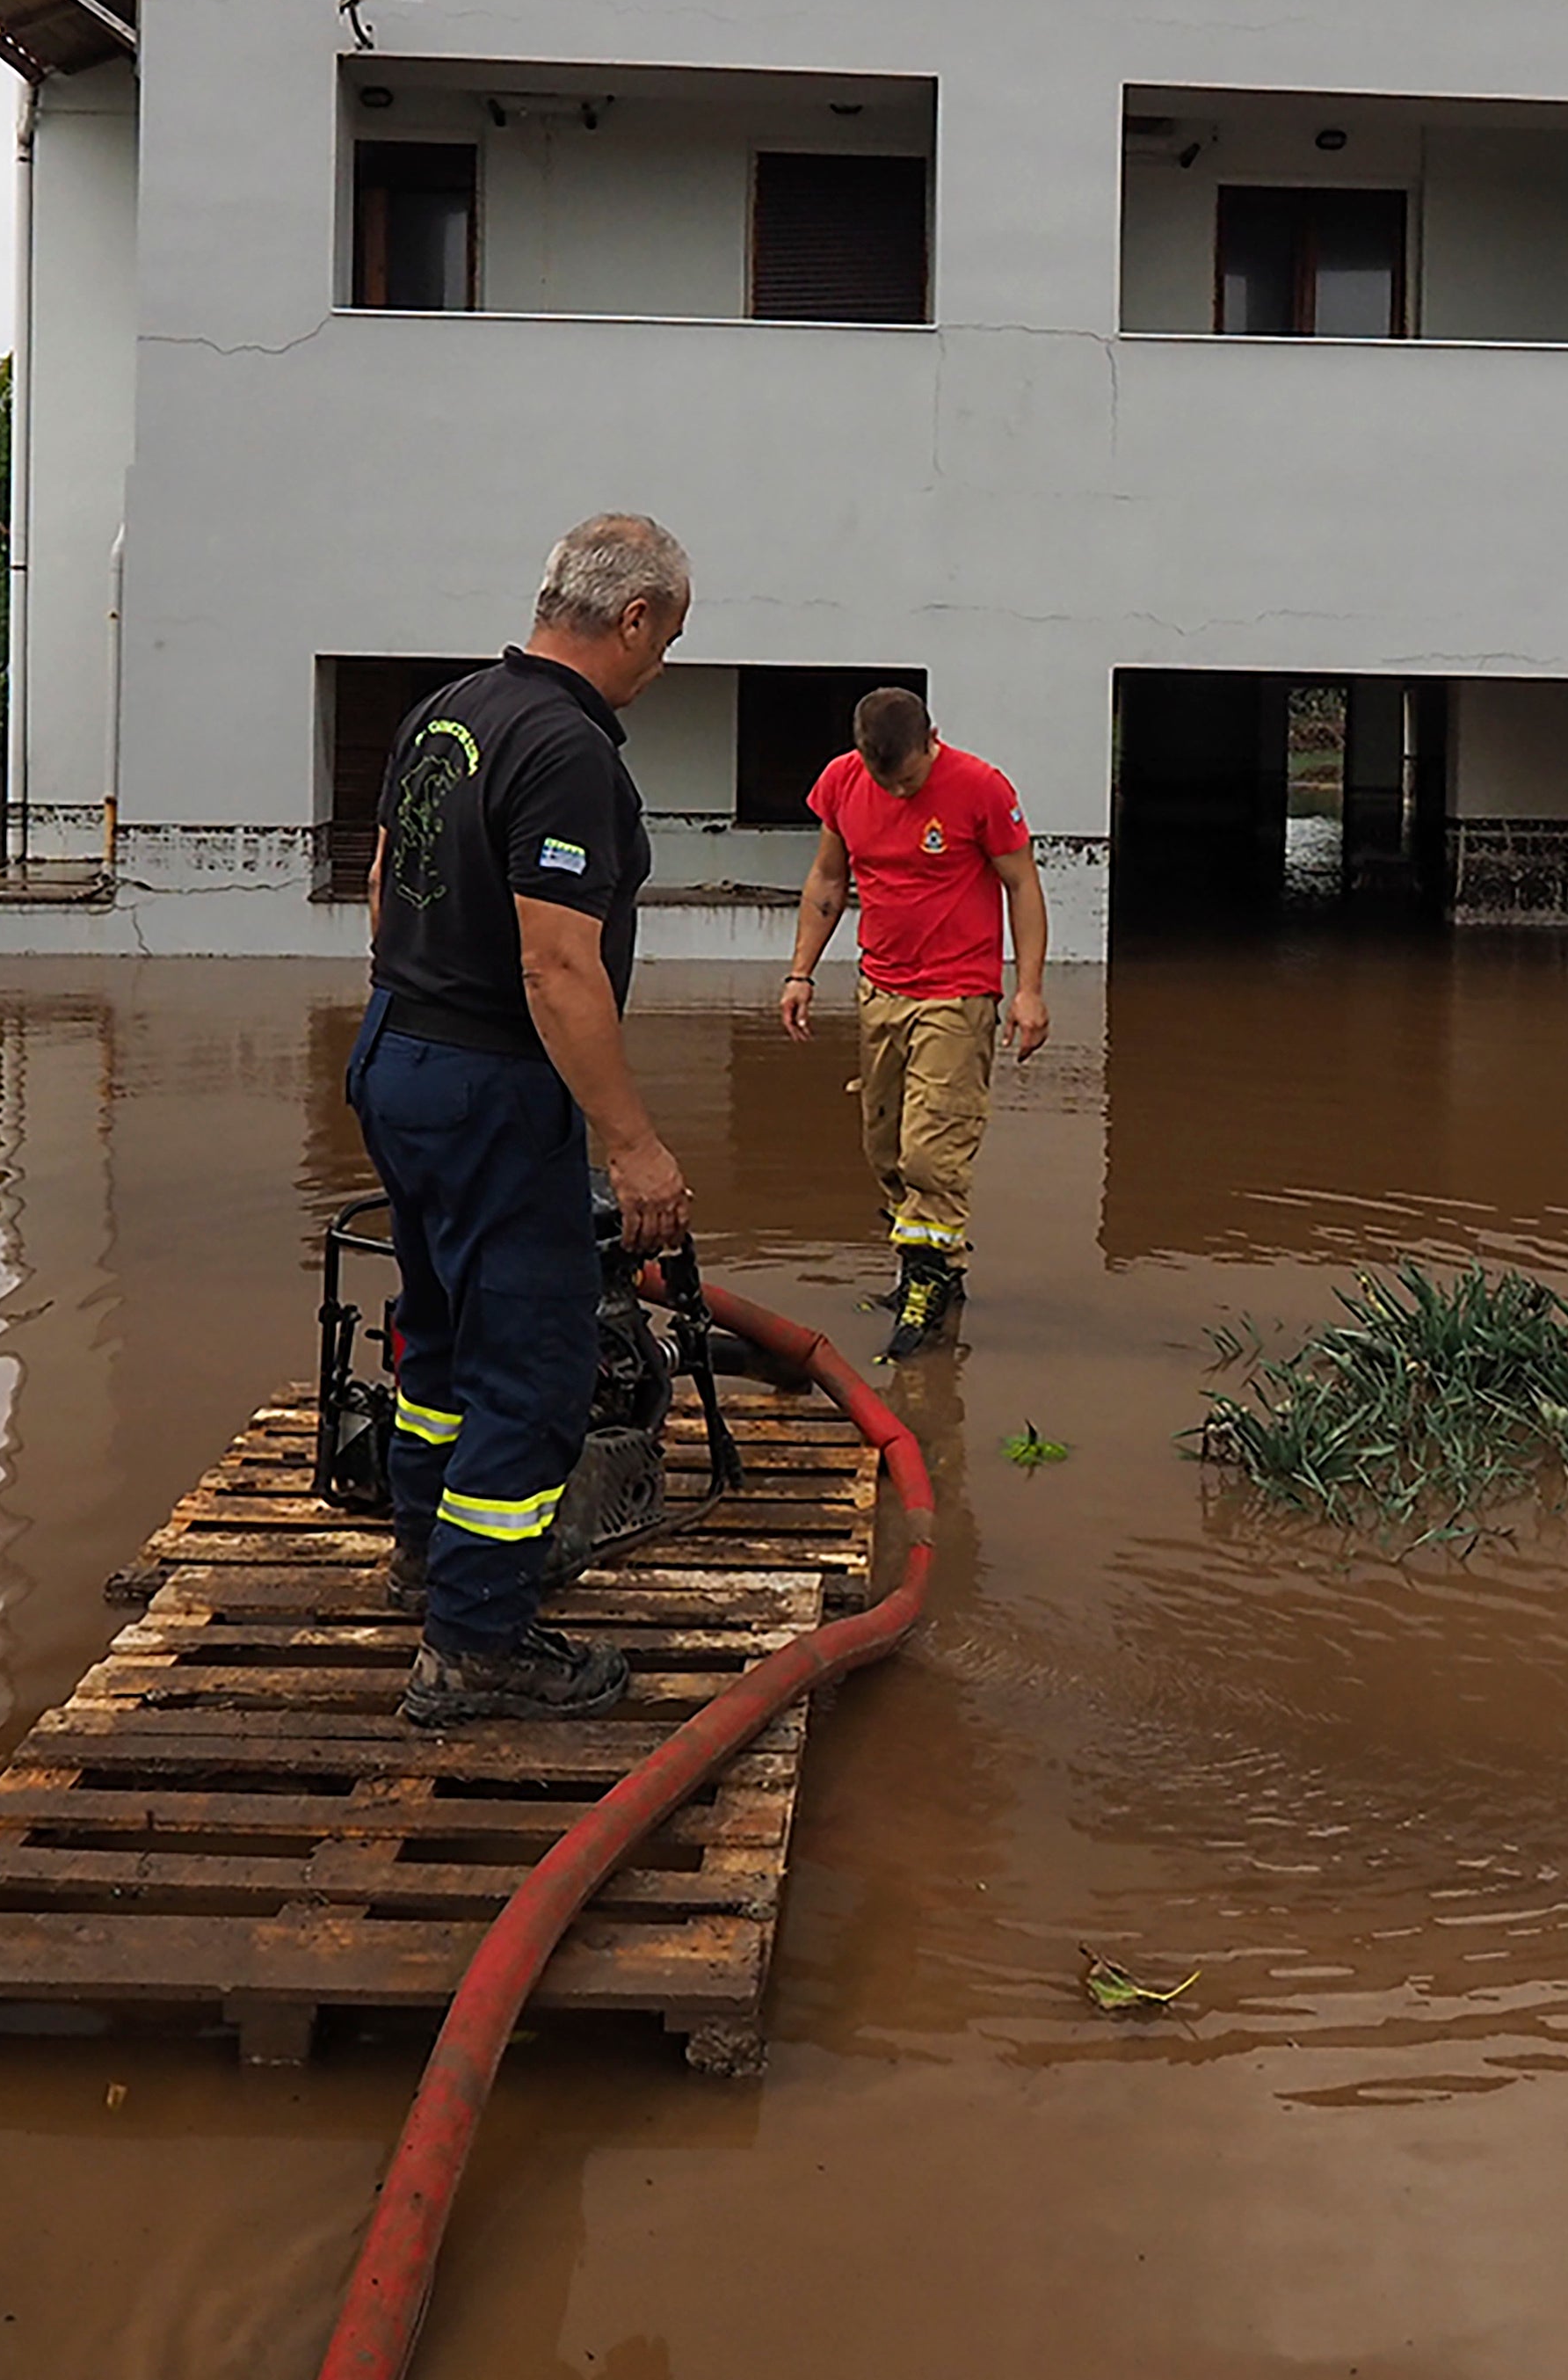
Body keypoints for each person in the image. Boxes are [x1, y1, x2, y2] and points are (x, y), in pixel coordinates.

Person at [351, 513, 697, 1724]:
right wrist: (633, 1144)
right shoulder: (564, 750)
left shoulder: (449, 710)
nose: (659, 672)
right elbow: (555, 968)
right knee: (535, 1367)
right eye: (666, 642)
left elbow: (385, 880)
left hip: (399, 1053)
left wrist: (419, 1025)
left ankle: (420, 1561)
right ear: (635, 617)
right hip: (489, 1083)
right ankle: (476, 1643)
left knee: (439, 1334)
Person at [778, 686, 1049, 1360]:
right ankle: (935, 1263)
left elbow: (1021, 883)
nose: (896, 794)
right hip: (881, 989)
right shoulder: (841, 783)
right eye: (883, 780)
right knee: (885, 1145)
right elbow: (826, 881)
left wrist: (1029, 990)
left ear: (933, 740)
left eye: (905, 780)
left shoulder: (980, 788)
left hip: (957, 994)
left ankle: (924, 1284)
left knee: (933, 1147)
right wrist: (799, 972)